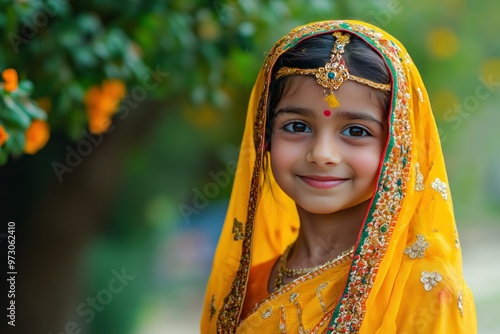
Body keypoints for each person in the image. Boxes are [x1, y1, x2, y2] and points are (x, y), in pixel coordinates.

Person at [200, 20, 477, 333]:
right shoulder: (249, 285)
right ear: (265, 137)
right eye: (297, 126)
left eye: (356, 131)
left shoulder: (424, 290)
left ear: (397, 148)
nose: (322, 153)